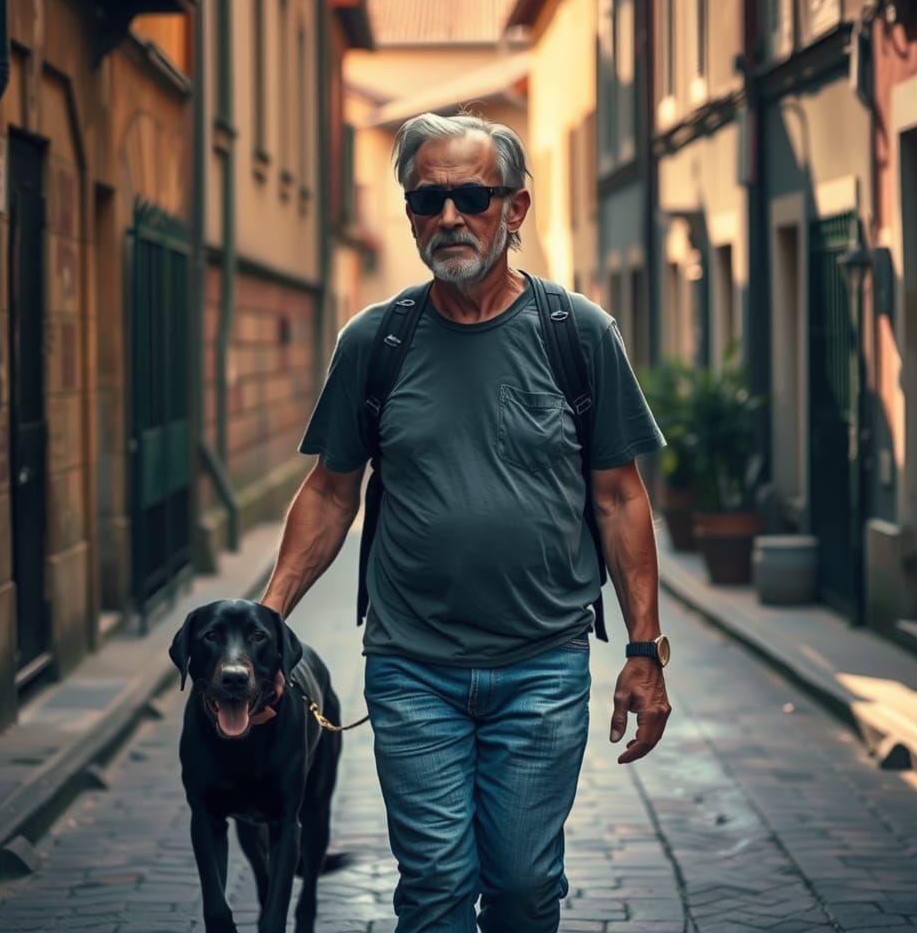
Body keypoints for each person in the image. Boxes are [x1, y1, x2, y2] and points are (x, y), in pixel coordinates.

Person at [261, 112, 671, 933]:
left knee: (522, 888)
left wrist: (642, 650)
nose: (449, 218)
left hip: (543, 667)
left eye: (471, 197)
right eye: (427, 200)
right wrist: (266, 624)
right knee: (437, 890)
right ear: (411, 213)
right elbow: (332, 491)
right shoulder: (375, 341)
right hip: (413, 670)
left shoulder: (577, 335)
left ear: (514, 209)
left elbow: (620, 497)